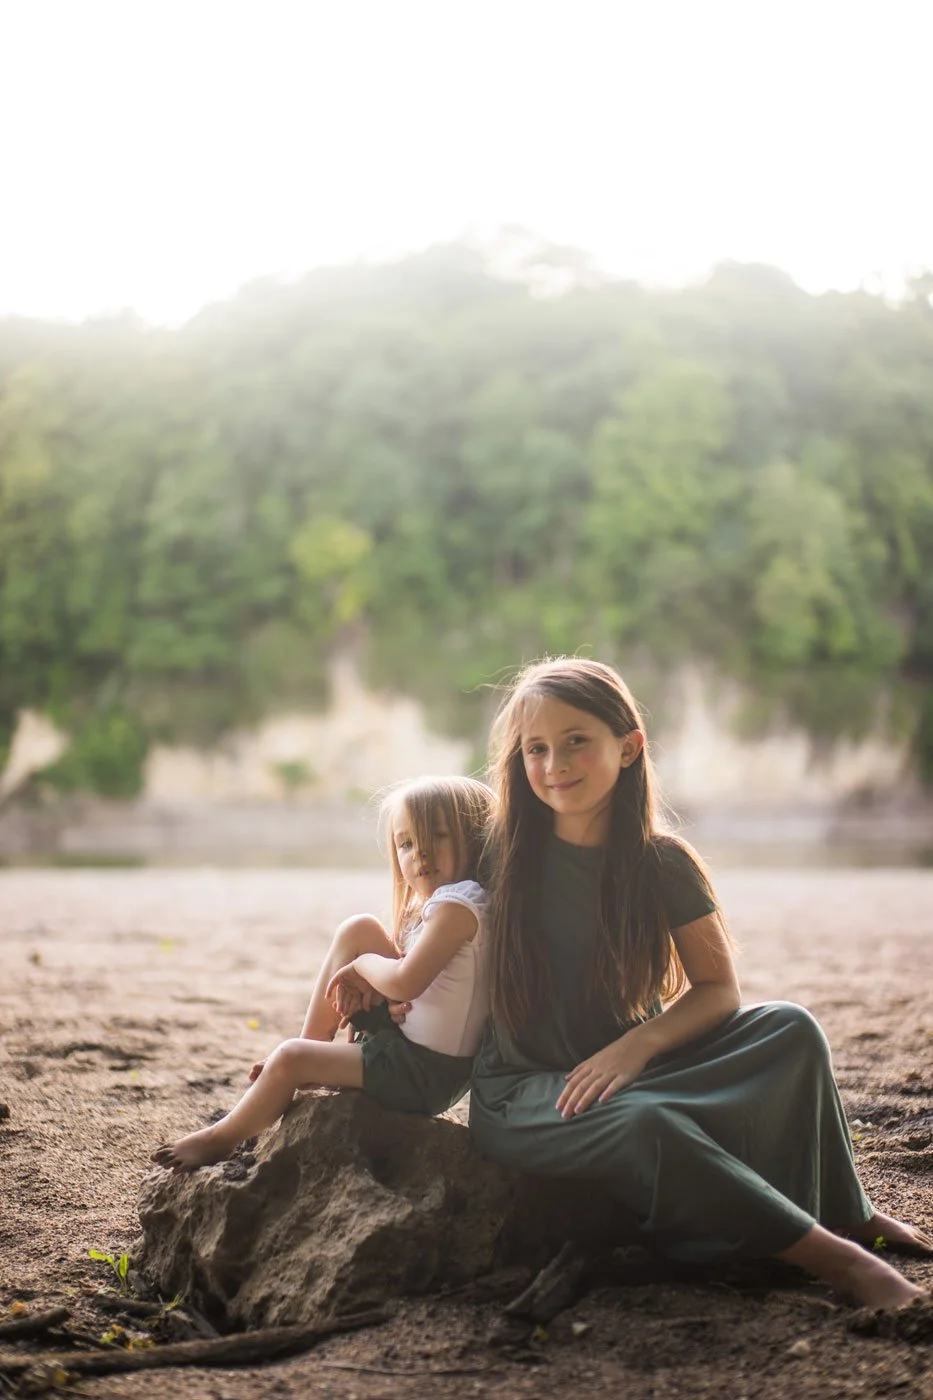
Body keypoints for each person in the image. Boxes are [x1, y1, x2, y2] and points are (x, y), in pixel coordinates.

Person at [469, 657, 931, 1310]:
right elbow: (420, 924)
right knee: (646, 1124)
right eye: (535, 749)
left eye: (577, 741)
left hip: (626, 1065)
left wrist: (634, 1047)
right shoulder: (499, 854)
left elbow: (717, 988)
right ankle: (842, 1261)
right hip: (525, 1091)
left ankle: (847, 1211)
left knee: (791, 1028)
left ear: (628, 749)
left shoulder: (661, 863)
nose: (554, 764)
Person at [152, 775, 494, 1171]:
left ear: (472, 838)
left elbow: (405, 982)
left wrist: (362, 968)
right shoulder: (435, 905)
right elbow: (409, 986)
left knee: (290, 1058)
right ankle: (314, 1046)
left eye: (437, 838)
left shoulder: (460, 906)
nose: (420, 854)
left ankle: (222, 1137)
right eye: (406, 843)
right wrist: (369, 982)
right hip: (405, 1042)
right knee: (359, 928)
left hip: (421, 1072)